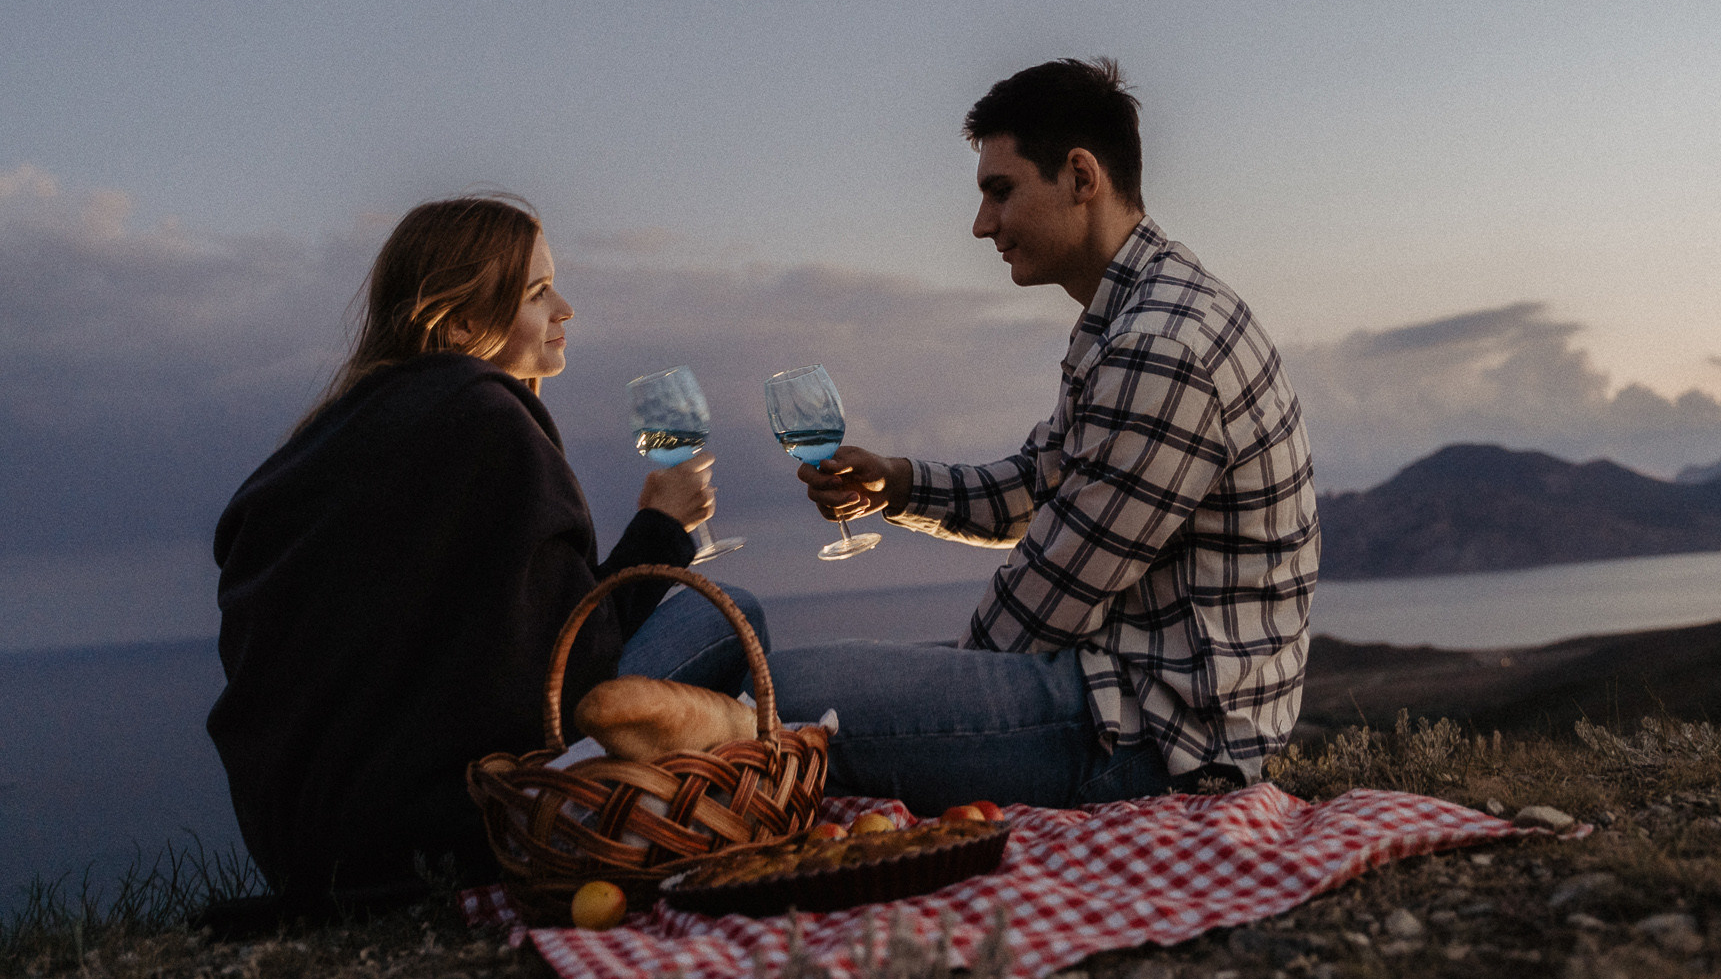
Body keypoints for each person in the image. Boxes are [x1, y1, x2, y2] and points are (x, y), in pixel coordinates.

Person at [769, 59, 1319, 812]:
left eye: (1001, 190)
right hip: (1119, 693)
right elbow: (1040, 484)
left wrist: (941, 698)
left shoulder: (1158, 345)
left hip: (1150, 741)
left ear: (1080, 176)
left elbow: (1049, 592)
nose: (982, 224)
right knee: (803, 679)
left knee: (772, 694)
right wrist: (895, 484)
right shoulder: (1137, 311)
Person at [207, 195, 766, 909]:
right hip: (449, 823)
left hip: (307, 846)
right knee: (731, 613)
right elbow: (568, 657)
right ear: (461, 320)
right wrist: (662, 528)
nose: (565, 309)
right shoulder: (487, 419)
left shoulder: (323, 441)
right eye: (537, 292)